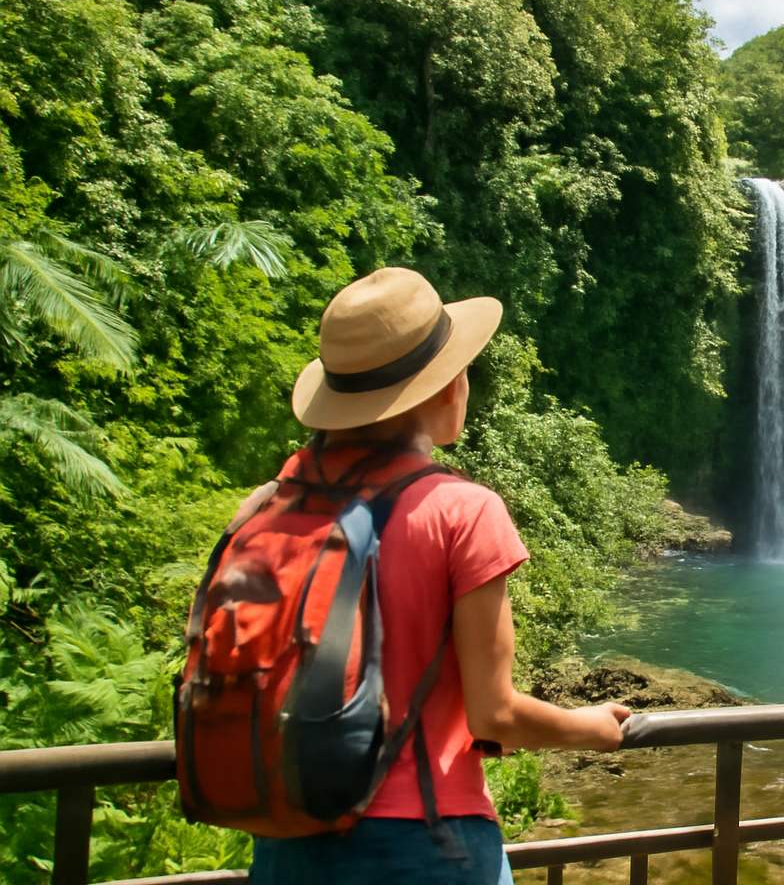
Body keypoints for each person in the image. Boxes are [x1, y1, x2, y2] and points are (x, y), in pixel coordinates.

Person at [251, 267, 631, 885]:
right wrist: (590, 728)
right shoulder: (462, 512)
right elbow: (493, 715)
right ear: (439, 390)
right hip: (427, 844)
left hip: (287, 844)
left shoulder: (268, 506)